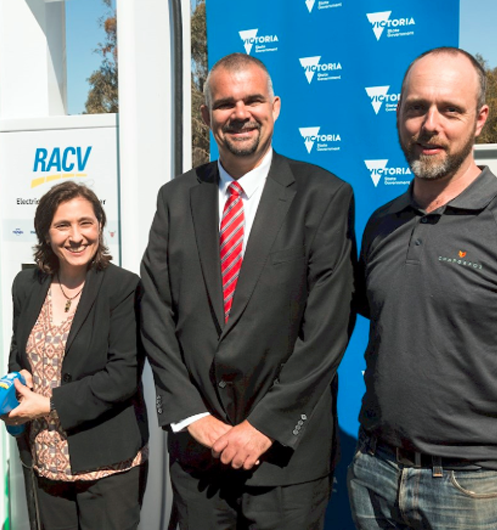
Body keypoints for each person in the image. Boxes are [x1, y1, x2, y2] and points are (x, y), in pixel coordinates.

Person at [348, 47, 497, 530]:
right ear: (399, 114)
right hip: (376, 475)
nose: (431, 125)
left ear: (479, 119)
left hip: (478, 492)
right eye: (416, 107)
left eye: (450, 110)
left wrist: (493, 434)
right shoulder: (381, 224)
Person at [140, 52, 356, 529]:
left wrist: (264, 427)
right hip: (198, 456)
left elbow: (328, 328)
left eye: (253, 100)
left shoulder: (323, 196)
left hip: (285, 460)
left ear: (275, 106)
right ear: (206, 116)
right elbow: (154, 312)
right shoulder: (175, 199)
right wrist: (190, 415)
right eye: (225, 104)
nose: (240, 114)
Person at [5, 181, 148, 530]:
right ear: (45, 233)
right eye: (62, 225)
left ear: (100, 225)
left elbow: (123, 375)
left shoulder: (123, 287)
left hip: (106, 463)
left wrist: (49, 403)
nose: (76, 236)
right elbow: (18, 356)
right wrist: (14, 394)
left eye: (86, 222)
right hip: (44, 457)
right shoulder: (26, 285)